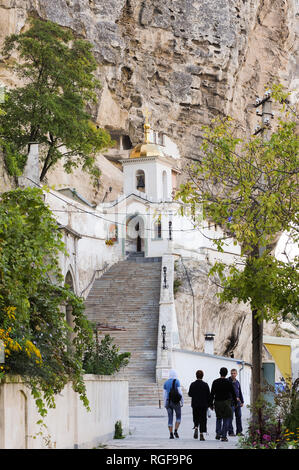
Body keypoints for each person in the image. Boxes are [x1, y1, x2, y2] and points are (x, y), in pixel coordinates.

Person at [210, 367, 237, 442]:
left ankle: (218, 433)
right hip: (226, 402)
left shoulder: (215, 382)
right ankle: (224, 436)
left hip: (217, 402)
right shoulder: (229, 382)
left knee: (219, 418)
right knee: (226, 418)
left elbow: (212, 394)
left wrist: (211, 404)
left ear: (220, 373)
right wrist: (235, 403)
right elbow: (233, 393)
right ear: (226, 373)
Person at [188, 370, 211, 441]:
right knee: (203, 419)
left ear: (196, 375)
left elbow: (190, 394)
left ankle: (196, 427)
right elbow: (209, 395)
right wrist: (210, 404)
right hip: (203, 404)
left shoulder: (192, 384)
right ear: (202, 376)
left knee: (196, 416)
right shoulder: (205, 385)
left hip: (195, 404)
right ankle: (201, 434)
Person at [163, 369, 184, 439]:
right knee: (178, 417)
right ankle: (175, 430)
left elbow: (164, 395)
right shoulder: (177, 381)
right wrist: (182, 401)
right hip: (176, 402)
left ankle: (171, 434)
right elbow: (180, 392)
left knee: (170, 418)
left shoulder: (165, 383)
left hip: (168, 402)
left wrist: (165, 403)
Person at [228, 368, 244, 436]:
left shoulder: (237, 382)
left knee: (239, 417)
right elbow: (228, 392)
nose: (233, 374)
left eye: (234, 373)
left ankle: (239, 432)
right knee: (230, 417)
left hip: (238, 403)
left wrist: (242, 401)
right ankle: (231, 432)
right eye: (232, 373)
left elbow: (239, 392)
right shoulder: (228, 381)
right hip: (231, 402)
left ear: (236, 374)